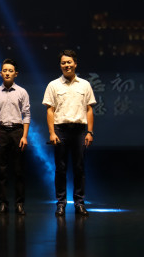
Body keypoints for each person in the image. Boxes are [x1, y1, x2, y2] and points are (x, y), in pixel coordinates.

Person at [43, 49, 95, 217]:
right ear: (60, 65)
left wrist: (90, 132)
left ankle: (79, 203)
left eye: (69, 62)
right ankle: (61, 204)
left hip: (80, 131)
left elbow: (89, 109)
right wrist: (52, 133)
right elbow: (50, 110)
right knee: (60, 169)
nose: (67, 65)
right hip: (60, 130)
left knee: (79, 168)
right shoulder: (53, 85)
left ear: (75, 64)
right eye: (63, 62)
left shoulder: (85, 85)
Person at [0, 59, 31, 216]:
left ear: (16, 74)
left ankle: (19, 204)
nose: (7, 73)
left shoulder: (22, 92)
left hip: (17, 132)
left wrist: (24, 136)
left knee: (19, 170)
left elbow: (26, 115)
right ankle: (3, 204)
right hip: (0, 132)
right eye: (5, 70)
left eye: (10, 70)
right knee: (1, 171)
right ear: (0, 73)